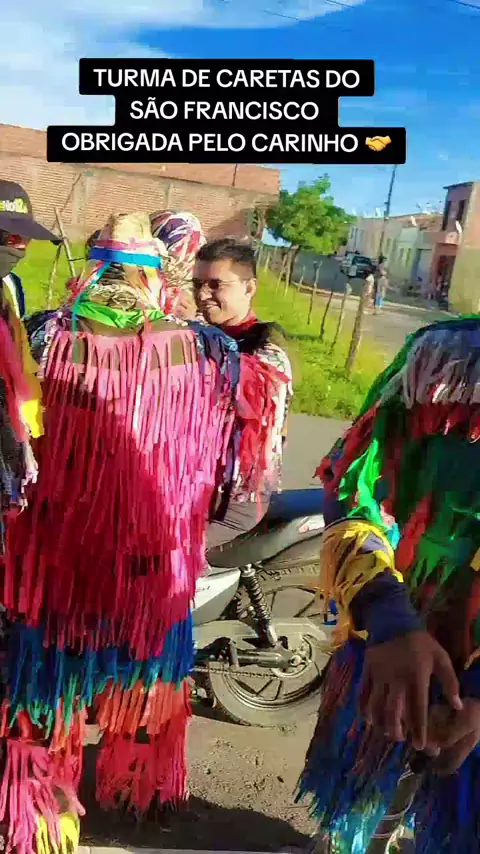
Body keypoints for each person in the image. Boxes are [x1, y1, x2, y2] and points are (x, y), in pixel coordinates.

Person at [1, 212, 279, 854]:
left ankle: (43, 822)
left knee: (49, 695)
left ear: (93, 267)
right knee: (148, 686)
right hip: (155, 565)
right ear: (157, 273)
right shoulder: (209, 352)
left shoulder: (42, 337)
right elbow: (240, 461)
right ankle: (139, 796)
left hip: (59, 568)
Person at [297, 311, 480, 852]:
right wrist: (388, 615)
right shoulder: (444, 357)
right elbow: (355, 490)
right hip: (392, 648)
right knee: (353, 816)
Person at [193, 238, 293, 548]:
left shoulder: (266, 357)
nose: (202, 295)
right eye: (197, 284)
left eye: (216, 285)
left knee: (160, 560)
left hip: (234, 501)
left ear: (249, 288)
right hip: (197, 489)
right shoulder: (204, 337)